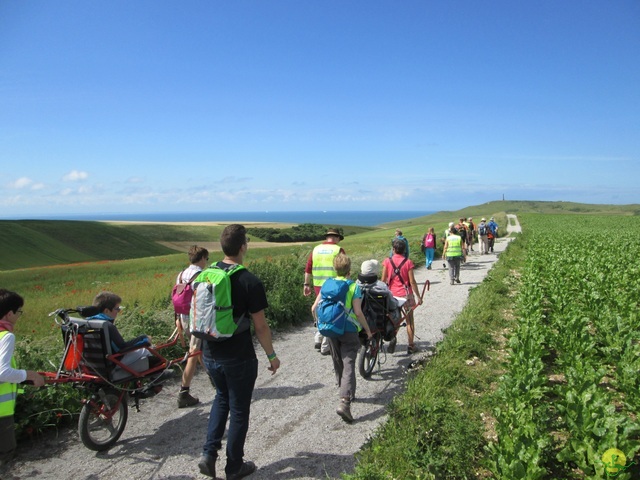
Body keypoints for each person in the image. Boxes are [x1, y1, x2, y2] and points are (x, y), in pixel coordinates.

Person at [198, 224, 280, 480]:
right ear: (243, 247)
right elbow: (261, 326)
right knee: (240, 409)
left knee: (221, 398)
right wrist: (271, 355)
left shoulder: (206, 275)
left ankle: (209, 454)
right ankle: (234, 466)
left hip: (210, 352)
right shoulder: (249, 281)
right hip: (238, 356)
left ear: (222, 247)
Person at [311, 253, 372, 423]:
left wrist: (319, 323)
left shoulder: (327, 284)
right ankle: (345, 402)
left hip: (330, 329)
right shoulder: (353, 287)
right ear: (349, 269)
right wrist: (367, 330)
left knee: (337, 361)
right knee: (349, 363)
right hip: (349, 330)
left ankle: (344, 390)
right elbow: (358, 313)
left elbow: (314, 307)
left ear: (334, 268)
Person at [0, 289, 45, 465]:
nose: (19, 316)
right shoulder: (6, 337)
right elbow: (2, 372)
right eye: (19, 312)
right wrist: (31, 375)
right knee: (5, 452)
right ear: (9, 313)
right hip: (1, 411)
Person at [175, 245, 209, 409]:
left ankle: (215, 379)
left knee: (197, 350)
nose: (207, 263)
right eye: (207, 259)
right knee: (194, 352)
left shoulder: (181, 275)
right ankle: (184, 392)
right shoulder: (201, 275)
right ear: (202, 258)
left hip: (183, 318)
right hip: (197, 319)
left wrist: (177, 319)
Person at [303, 228, 345, 355]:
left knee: (321, 309)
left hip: (318, 285)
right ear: (337, 238)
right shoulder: (338, 250)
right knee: (331, 313)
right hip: (333, 285)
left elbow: (308, 268)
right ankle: (326, 345)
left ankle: (318, 337)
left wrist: (306, 284)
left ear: (327, 237)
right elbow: (343, 267)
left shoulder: (316, 249)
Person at [381, 239, 423, 354]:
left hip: (391, 295)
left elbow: (383, 280)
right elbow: (412, 281)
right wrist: (418, 296)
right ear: (404, 250)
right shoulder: (408, 262)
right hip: (406, 295)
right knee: (409, 320)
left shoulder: (387, 261)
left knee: (395, 320)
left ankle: (393, 338)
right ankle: (411, 345)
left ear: (393, 249)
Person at [356, 259, 400, 353]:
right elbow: (392, 305)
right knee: (396, 311)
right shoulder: (381, 286)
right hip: (378, 320)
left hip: (359, 319)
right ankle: (391, 336)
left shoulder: (354, 286)